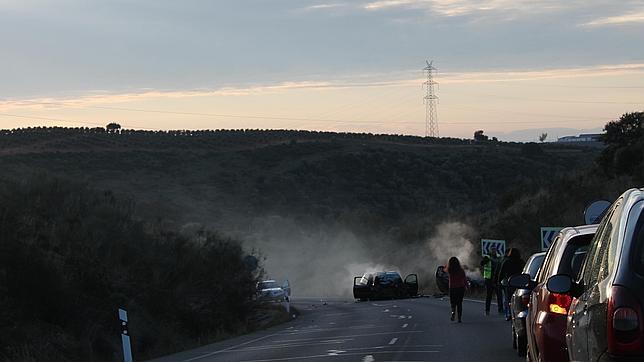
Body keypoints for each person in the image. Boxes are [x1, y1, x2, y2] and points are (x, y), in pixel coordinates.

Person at [498, 248, 525, 321]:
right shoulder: (521, 262)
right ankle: (518, 312)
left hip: (509, 283)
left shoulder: (507, 261)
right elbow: (525, 272)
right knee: (518, 299)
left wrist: (498, 282)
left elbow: (501, 272)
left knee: (508, 299)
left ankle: (509, 314)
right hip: (519, 283)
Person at [446, 256, 467, 323]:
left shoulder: (450, 270)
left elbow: (444, 269)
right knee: (459, 303)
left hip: (452, 288)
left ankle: (453, 312)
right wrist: (467, 286)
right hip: (461, 288)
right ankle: (459, 318)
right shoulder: (461, 270)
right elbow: (464, 279)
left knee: (453, 303)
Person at [489, 246, 504, 314]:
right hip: (489, 279)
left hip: (497, 278)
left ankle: (500, 309)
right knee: (489, 295)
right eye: (492, 250)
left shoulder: (499, 258)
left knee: (499, 295)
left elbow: (500, 269)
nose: (493, 251)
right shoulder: (488, 257)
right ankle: (487, 309)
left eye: (494, 250)